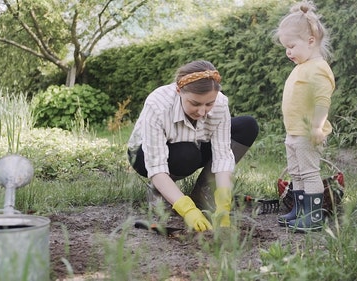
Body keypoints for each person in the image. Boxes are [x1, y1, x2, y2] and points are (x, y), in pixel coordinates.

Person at [127, 60, 259, 232]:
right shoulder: (157, 104)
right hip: (146, 155)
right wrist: (186, 209)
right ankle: (162, 193)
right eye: (195, 103)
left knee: (247, 125)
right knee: (187, 153)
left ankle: (204, 193)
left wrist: (224, 198)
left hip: (195, 143)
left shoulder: (220, 104)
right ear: (179, 90)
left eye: (209, 103)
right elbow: (156, 166)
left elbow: (222, 156)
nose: (203, 111)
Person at [274, 1, 335, 232]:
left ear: (310, 41)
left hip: (308, 133)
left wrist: (318, 127)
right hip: (294, 132)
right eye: (285, 47)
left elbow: (322, 101)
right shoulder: (301, 66)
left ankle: (314, 215)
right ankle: (299, 210)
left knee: (309, 172)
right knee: (296, 172)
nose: (288, 52)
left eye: (291, 46)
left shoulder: (318, 68)